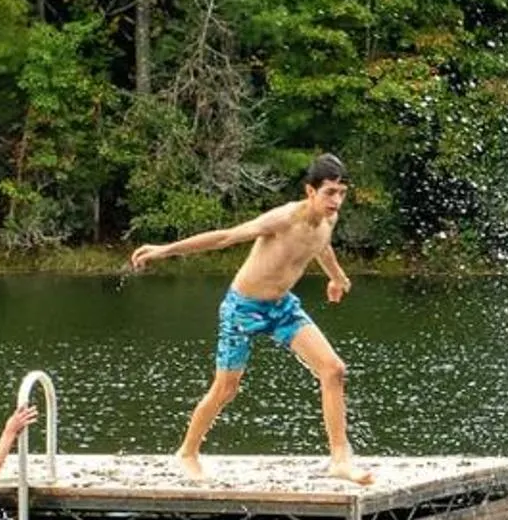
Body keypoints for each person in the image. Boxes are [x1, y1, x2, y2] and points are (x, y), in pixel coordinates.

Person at [124, 152, 371, 484]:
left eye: (342, 193)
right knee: (226, 388)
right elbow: (226, 237)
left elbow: (321, 247)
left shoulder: (328, 220)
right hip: (243, 309)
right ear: (310, 192)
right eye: (329, 192)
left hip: (282, 307)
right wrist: (165, 250)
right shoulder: (282, 219)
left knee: (334, 370)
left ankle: (341, 459)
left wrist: (337, 278)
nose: (337, 200)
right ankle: (187, 453)